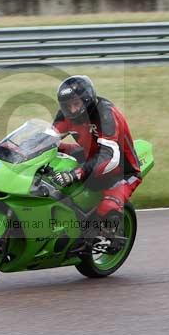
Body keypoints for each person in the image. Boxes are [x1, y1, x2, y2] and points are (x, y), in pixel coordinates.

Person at [50, 75, 141, 251]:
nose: (72, 109)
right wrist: (17, 150)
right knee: (56, 155)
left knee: (108, 206)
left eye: (76, 104)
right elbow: (48, 139)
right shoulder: (65, 116)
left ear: (87, 100)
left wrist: (76, 174)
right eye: (67, 105)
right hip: (89, 156)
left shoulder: (105, 114)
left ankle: (113, 237)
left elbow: (109, 156)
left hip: (121, 169)